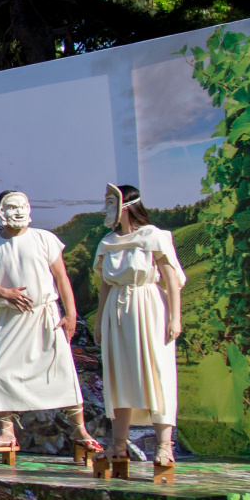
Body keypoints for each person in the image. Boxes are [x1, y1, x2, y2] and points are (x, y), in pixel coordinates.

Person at [0, 190, 100, 461]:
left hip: (46, 316)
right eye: (12, 207)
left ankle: (80, 430)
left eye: (22, 206)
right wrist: (5, 293)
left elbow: (61, 278)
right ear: (1, 211)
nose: (18, 212)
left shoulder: (44, 238)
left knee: (62, 370)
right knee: (1, 371)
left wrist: (71, 314)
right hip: (12, 318)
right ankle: (7, 433)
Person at [93, 184, 187, 478]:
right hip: (116, 313)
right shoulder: (108, 242)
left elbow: (171, 279)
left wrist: (175, 318)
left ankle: (164, 445)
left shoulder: (153, 236)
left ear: (126, 205)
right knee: (119, 375)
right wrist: (98, 321)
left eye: (112, 202)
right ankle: (118, 445)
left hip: (148, 306)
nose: (107, 208)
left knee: (157, 372)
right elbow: (106, 285)